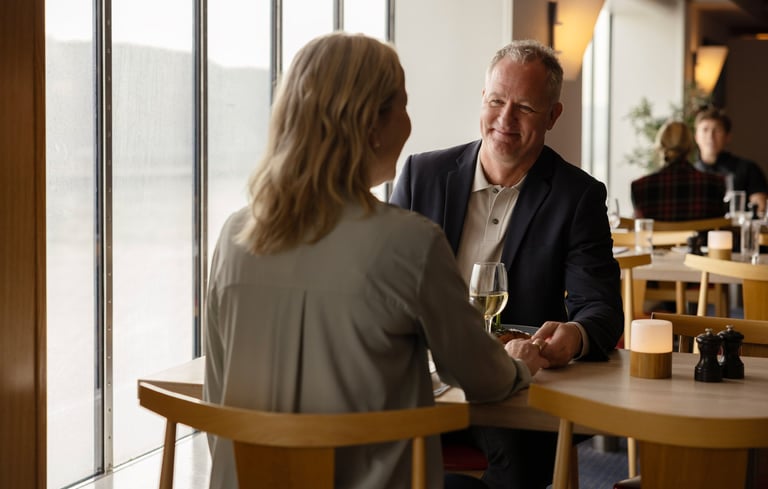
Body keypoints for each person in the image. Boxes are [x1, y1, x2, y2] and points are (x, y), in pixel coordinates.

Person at [203, 32, 549, 489]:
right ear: (372, 125)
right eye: (402, 105)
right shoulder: (410, 242)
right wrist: (522, 362)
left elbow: (217, 398)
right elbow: (483, 379)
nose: (408, 123)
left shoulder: (232, 236)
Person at [390, 39, 623, 489]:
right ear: (483, 98)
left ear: (553, 116)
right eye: (496, 101)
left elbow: (601, 307)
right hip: (422, 380)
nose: (504, 120)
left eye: (525, 108)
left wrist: (573, 336)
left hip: (513, 386)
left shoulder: (578, 197)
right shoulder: (422, 175)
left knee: (518, 460)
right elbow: (382, 285)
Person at [631, 120, 727, 221]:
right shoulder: (715, 184)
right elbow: (719, 230)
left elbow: (640, 230)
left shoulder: (640, 187)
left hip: (658, 237)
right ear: (690, 147)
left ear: (660, 146)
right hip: (700, 237)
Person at [693, 106, 768, 217]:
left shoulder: (748, 169)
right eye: (705, 130)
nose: (710, 136)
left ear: (728, 137)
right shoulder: (691, 173)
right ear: (696, 137)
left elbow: (760, 209)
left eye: (717, 130)